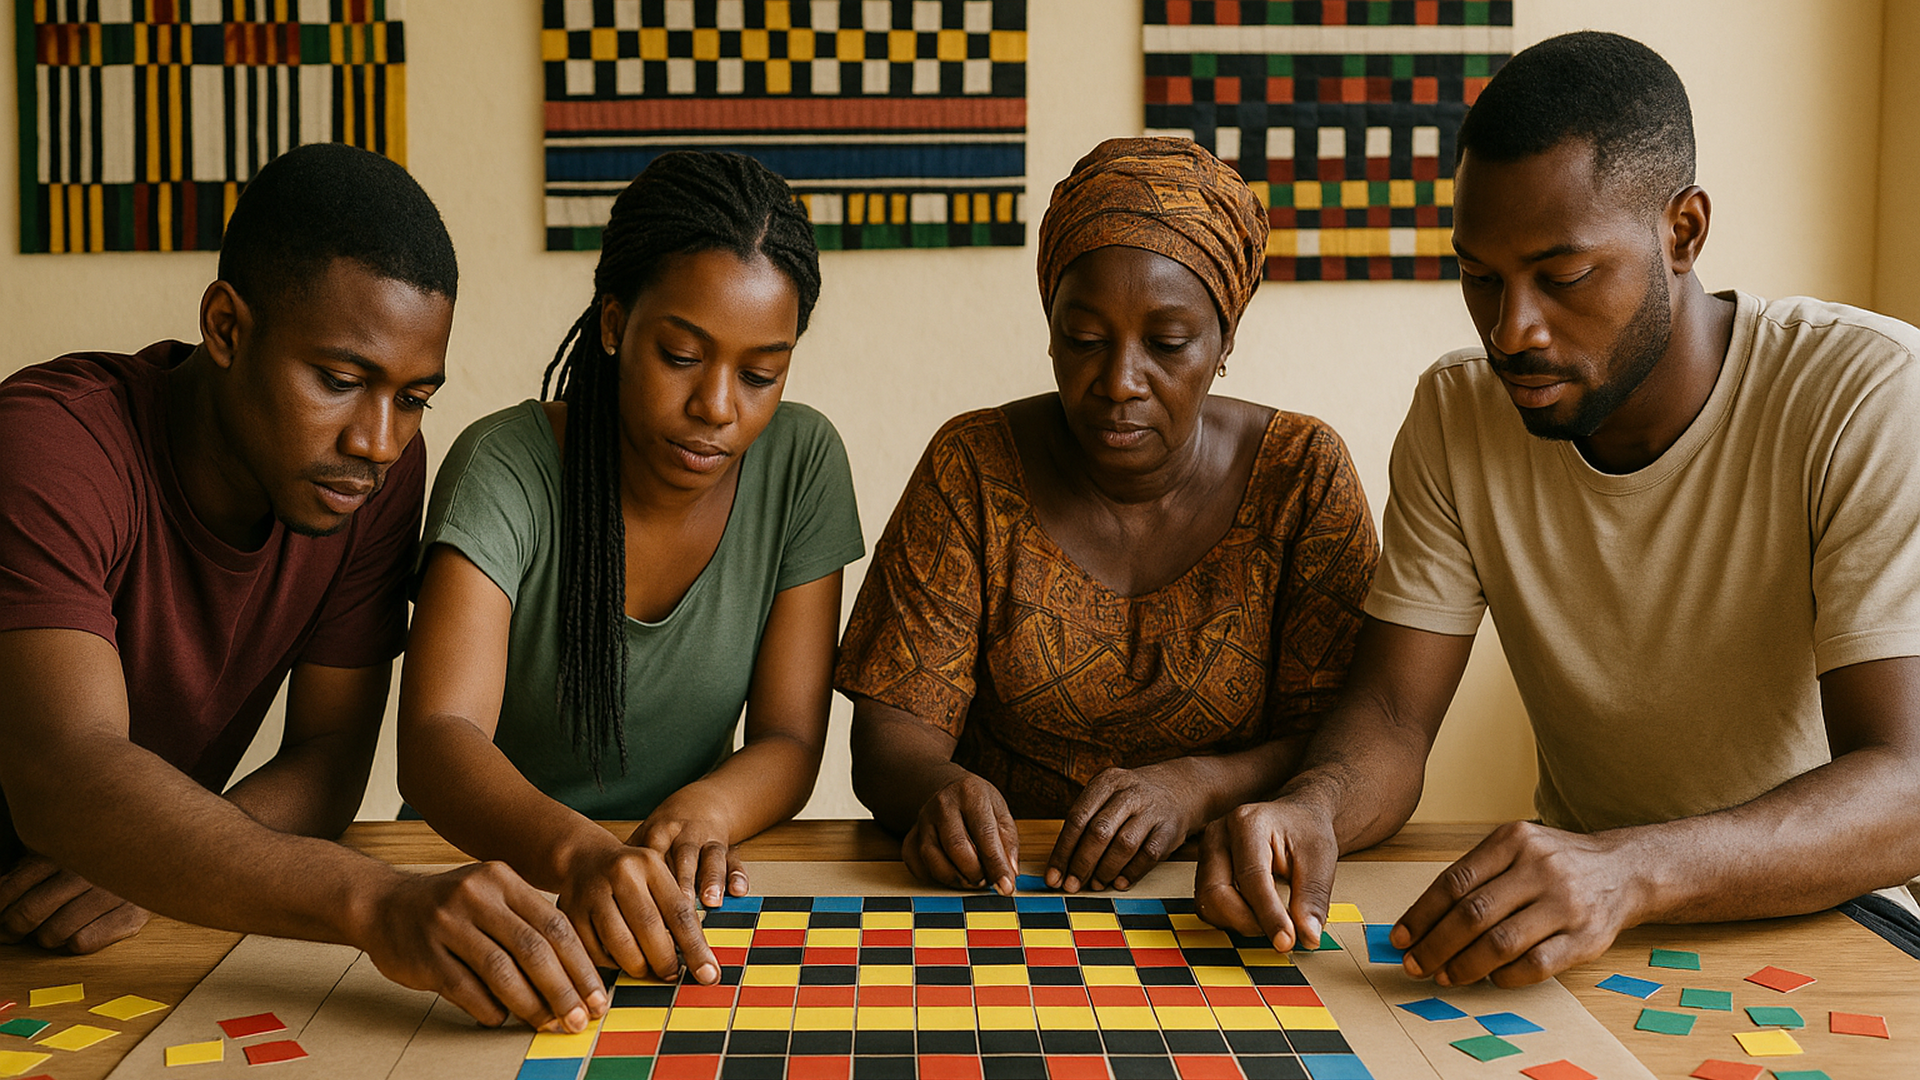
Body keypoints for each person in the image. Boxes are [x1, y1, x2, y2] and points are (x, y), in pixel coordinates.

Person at [1197, 30, 1920, 984]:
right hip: (1584, 932)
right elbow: (1391, 719)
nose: (1512, 331)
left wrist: (1629, 868)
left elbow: (1907, 781)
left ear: (1685, 232)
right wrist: (1314, 807)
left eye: (1564, 276)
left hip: (1834, 921)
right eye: (1480, 278)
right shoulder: (1458, 412)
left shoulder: (1865, 390)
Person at [0, 143, 611, 1033]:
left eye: (414, 398)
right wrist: (378, 902)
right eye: (340, 380)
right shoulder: (50, 448)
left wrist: (153, 854)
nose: (378, 439)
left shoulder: (374, 484)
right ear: (225, 328)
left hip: (88, 961)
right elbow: (66, 771)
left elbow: (329, 759)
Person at [838, 137, 1379, 896]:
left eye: (1168, 344)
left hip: (1226, 887)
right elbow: (891, 736)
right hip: (1005, 887)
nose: (1120, 381)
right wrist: (937, 791)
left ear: (1225, 339)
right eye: (1084, 340)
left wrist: (1194, 788)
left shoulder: (1301, 477)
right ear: (1050, 329)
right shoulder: (973, 467)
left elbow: (1346, 742)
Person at [397, 151, 863, 982]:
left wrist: (704, 809)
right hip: (472, 892)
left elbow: (791, 737)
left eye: (762, 374)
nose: (718, 407)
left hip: (670, 888)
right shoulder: (505, 468)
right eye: (682, 356)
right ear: (614, 325)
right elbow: (438, 739)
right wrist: (582, 854)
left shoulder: (802, 462)